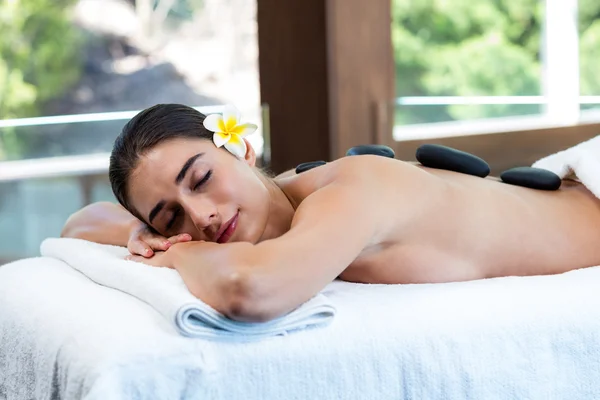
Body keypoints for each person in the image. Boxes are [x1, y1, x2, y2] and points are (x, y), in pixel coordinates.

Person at [61, 104, 600, 323]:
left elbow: (250, 291)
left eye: (201, 179)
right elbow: (81, 224)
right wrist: (141, 230)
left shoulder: (352, 189)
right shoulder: (282, 201)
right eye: (169, 216)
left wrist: (183, 253)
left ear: (241, 148)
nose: (200, 215)